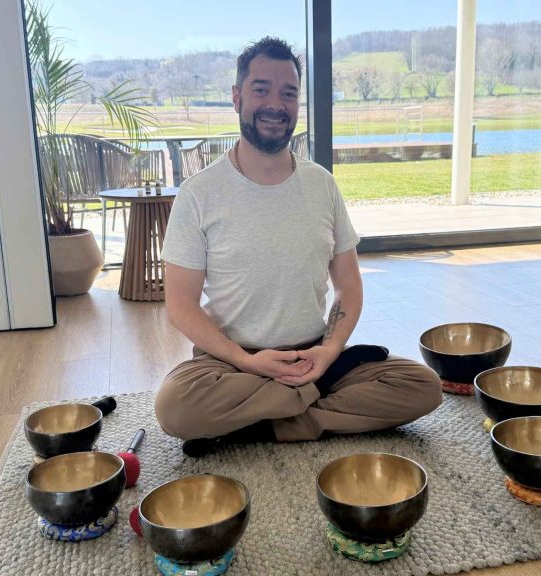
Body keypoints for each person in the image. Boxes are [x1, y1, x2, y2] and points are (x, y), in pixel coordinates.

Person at [155, 37, 442, 457]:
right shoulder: (199, 194)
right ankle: (307, 411)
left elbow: (348, 285)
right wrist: (249, 362)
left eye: (288, 93)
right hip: (232, 364)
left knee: (422, 387)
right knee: (175, 407)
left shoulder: (321, 184)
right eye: (261, 89)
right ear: (236, 97)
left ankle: (263, 424)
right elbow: (180, 305)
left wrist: (327, 352)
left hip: (315, 358)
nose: (276, 103)